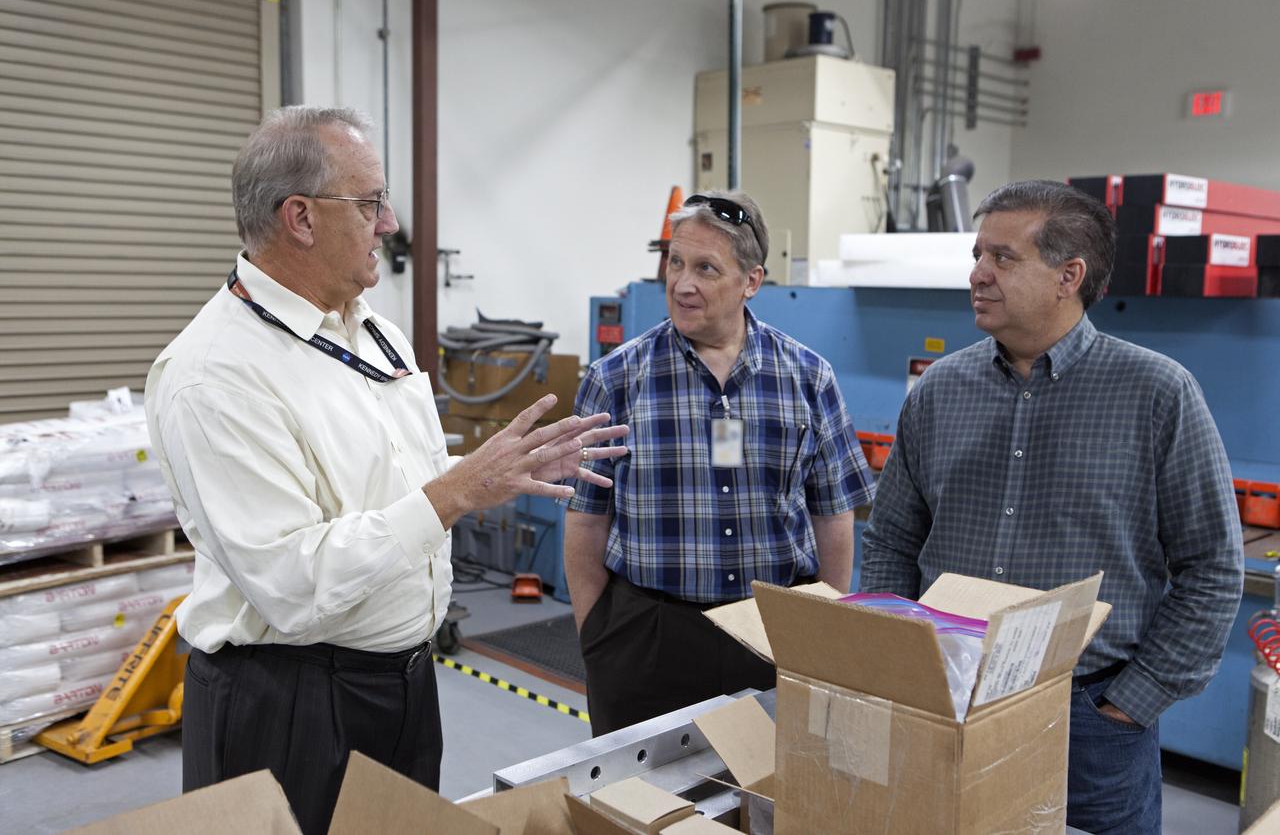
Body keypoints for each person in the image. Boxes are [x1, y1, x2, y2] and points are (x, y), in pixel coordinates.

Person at [144, 106, 626, 835]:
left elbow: (397, 480)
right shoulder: (217, 374)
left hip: (401, 683)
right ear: (299, 217)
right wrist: (457, 490)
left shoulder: (372, 327)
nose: (391, 223)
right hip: (289, 702)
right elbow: (291, 583)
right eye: (370, 202)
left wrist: (496, 470)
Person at [860, 179, 1243, 835]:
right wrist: (896, 665)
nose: (977, 274)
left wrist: (1130, 702)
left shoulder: (1157, 393)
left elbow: (1213, 567)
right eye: (978, 254)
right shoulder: (939, 391)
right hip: (949, 701)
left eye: (1003, 258)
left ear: (1069, 275)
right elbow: (892, 540)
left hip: (1090, 720)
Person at [564, 190, 875, 736]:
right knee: (640, 809)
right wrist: (598, 636)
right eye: (676, 262)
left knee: (768, 806)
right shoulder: (614, 380)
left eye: (706, 268)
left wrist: (823, 635)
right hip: (649, 637)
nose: (682, 283)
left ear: (751, 282)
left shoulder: (807, 378)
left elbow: (834, 517)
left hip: (774, 630)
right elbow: (587, 518)